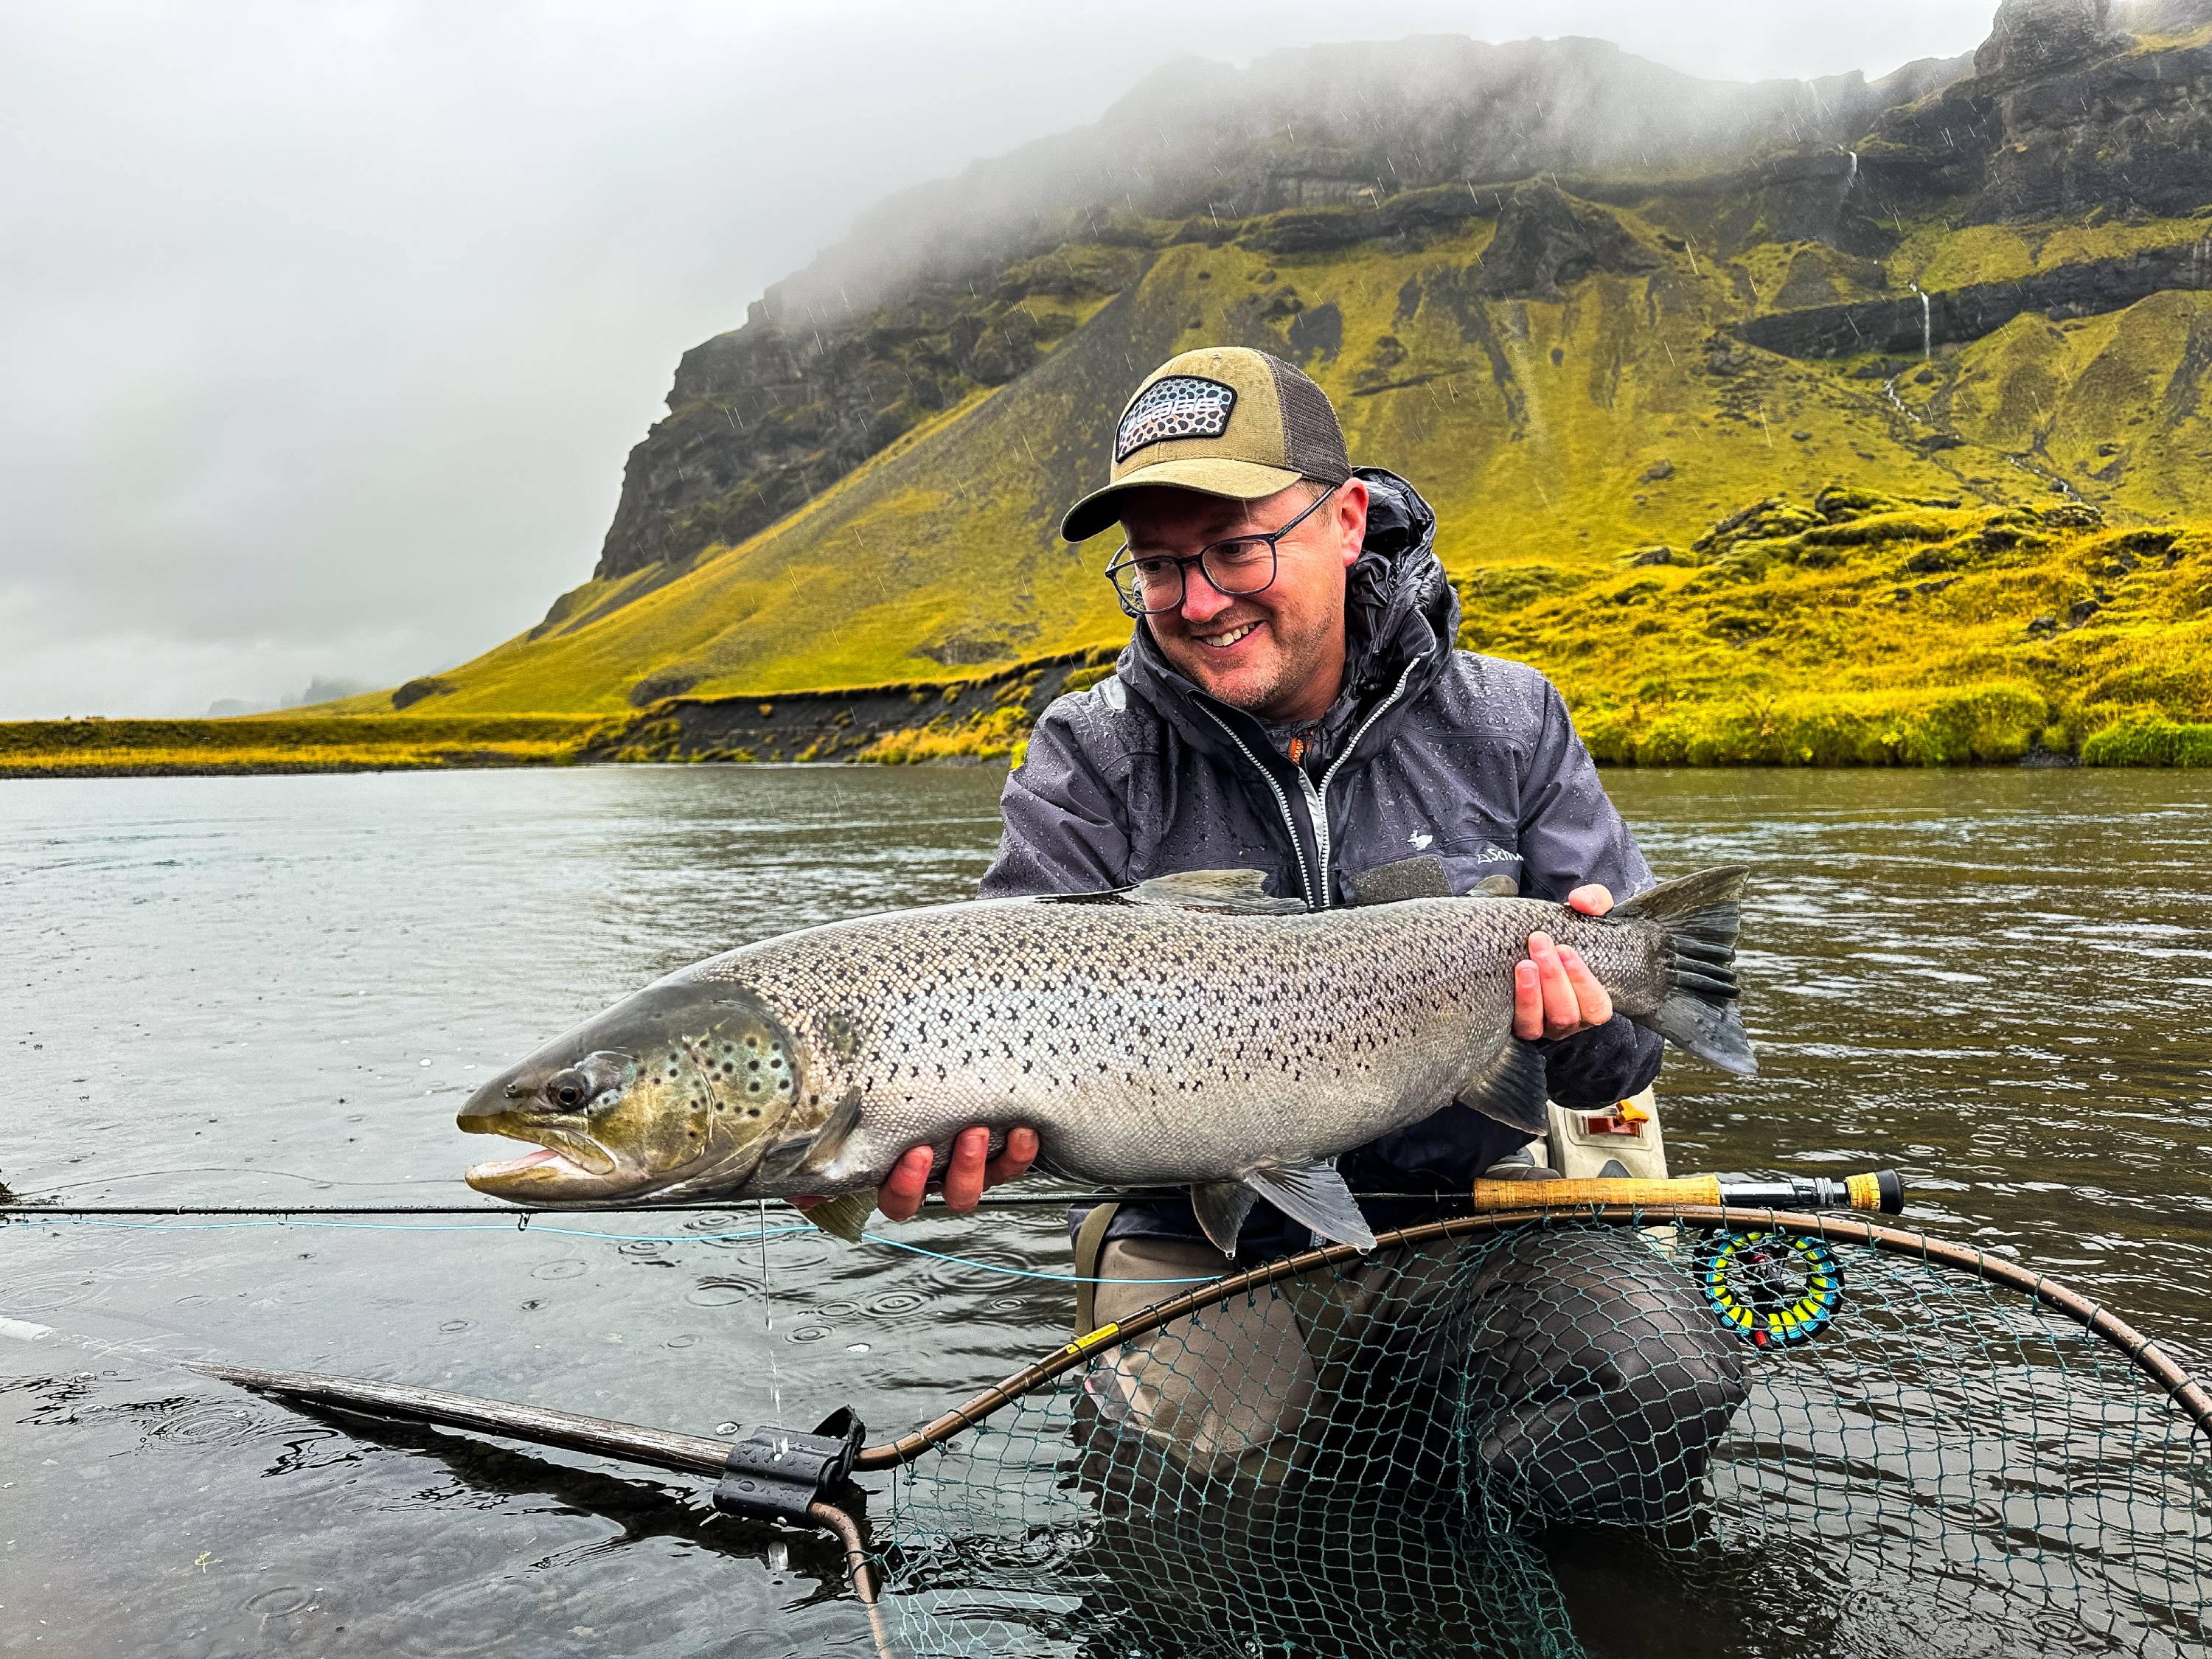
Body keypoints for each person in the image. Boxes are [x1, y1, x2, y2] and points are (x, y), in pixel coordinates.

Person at [863, 346, 1745, 1519]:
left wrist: (1584, 1032)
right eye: (1161, 567)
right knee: (1178, 1489)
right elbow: (1007, 990)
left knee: (1655, 1379)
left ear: (1346, 520)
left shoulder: (1509, 720)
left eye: (1236, 549)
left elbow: (1621, 1064)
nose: (1199, 600)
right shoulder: (1091, 754)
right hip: (1203, 1236)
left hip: (1478, 1216)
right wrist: (966, 1124)